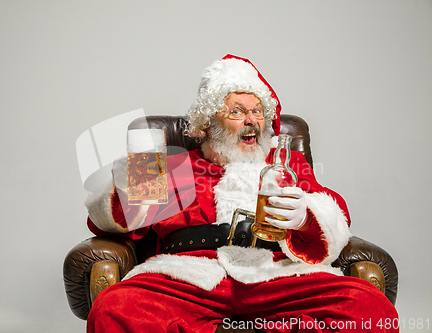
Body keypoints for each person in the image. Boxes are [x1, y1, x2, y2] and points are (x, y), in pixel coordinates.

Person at [85, 55, 398, 332]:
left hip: (275, 273)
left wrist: (306, 217)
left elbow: (335, 217)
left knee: (368, 307)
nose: (252, 120)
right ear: (208, 123)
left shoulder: (284, 163)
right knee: (114, 307)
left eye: (258, 112)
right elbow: (114, 224)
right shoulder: (172, 166)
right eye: (237, 112)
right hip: (188, 277)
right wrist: (125, 190)